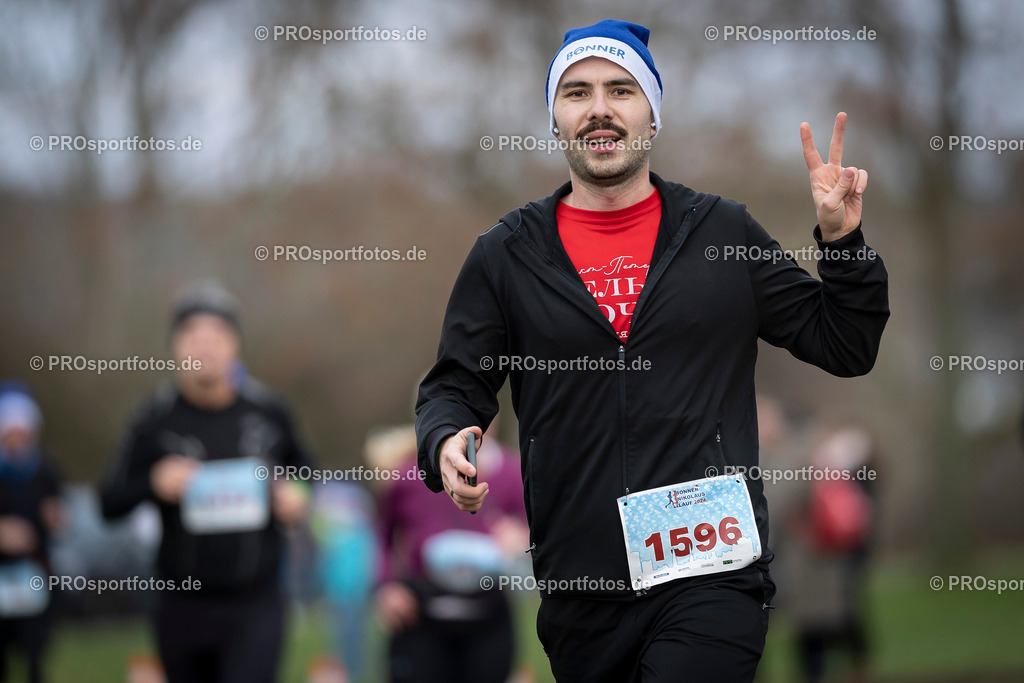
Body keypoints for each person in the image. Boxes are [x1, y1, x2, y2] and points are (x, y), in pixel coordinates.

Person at [414, 19, 889, 683]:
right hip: (581, 588)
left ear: (652, 117)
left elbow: (845, 342)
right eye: (577, 93)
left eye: (622, 89)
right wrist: (444, 440)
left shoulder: (722, 232)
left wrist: (842, 245)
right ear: (556, 117)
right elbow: (453, 384)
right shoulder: (507, 254)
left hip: (711, 573)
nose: (600, 108)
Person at [99, 281, 314, 683]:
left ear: (235, 346)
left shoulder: (269, 412)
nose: (204, 347)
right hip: (181, 606)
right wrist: (153, 482)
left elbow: (308, 473)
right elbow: (108, 503)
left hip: (257, 602)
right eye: (192, 335)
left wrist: (295, 495)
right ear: (174, 346)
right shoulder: (152, 420)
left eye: (216, 335)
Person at [373, 423, 527, 683]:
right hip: (420, 614)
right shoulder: (408, 475)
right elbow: (382, 534)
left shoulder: (513, 473)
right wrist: (387, 585)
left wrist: (521, 537)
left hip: (489, 611)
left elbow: (534, 532)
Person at [0, 383, 63, 683]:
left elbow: (59, 520)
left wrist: (56, 520)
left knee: (36, 658)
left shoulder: (46, 470)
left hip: (36, 576)